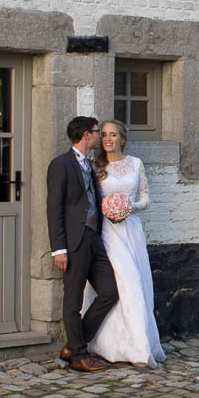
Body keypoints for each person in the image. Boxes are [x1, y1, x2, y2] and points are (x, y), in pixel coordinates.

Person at [82, 119, 166, 368]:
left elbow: (146, 199)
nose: (107, 139)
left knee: (137, 283)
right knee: (123, 282)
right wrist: (106, 209)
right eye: (104, 134)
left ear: (122, 138)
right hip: (107, 233)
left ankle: (138, 346)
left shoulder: (135, 164)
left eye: (113, 135)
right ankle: (108, 344)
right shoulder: (95, 165)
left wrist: (129, 207)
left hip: (131, 230)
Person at [46, 116, 117, 373]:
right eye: (97, 132)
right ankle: (78, 356)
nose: (100, 136)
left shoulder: (90, 162)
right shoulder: (61, 164)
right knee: (73, 300)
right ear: (87, 135)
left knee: (110, 292)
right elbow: (54, 208)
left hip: (94, 237)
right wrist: (59, 249)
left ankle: (74, 344)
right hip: (74, 241)